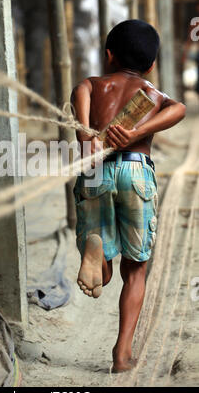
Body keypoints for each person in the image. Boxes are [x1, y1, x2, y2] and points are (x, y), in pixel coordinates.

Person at [71, 20, 186, 373]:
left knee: (101, 270)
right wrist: (137, 130)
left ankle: (98, 252)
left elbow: (82, 113)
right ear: (151, 64)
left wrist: (92, 136)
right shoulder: (151, 94)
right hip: (136, 169)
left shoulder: (92, 85)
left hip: (96, 170)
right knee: (135, 270)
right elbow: (178, 108)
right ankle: (122, 355)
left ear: (108, 56)